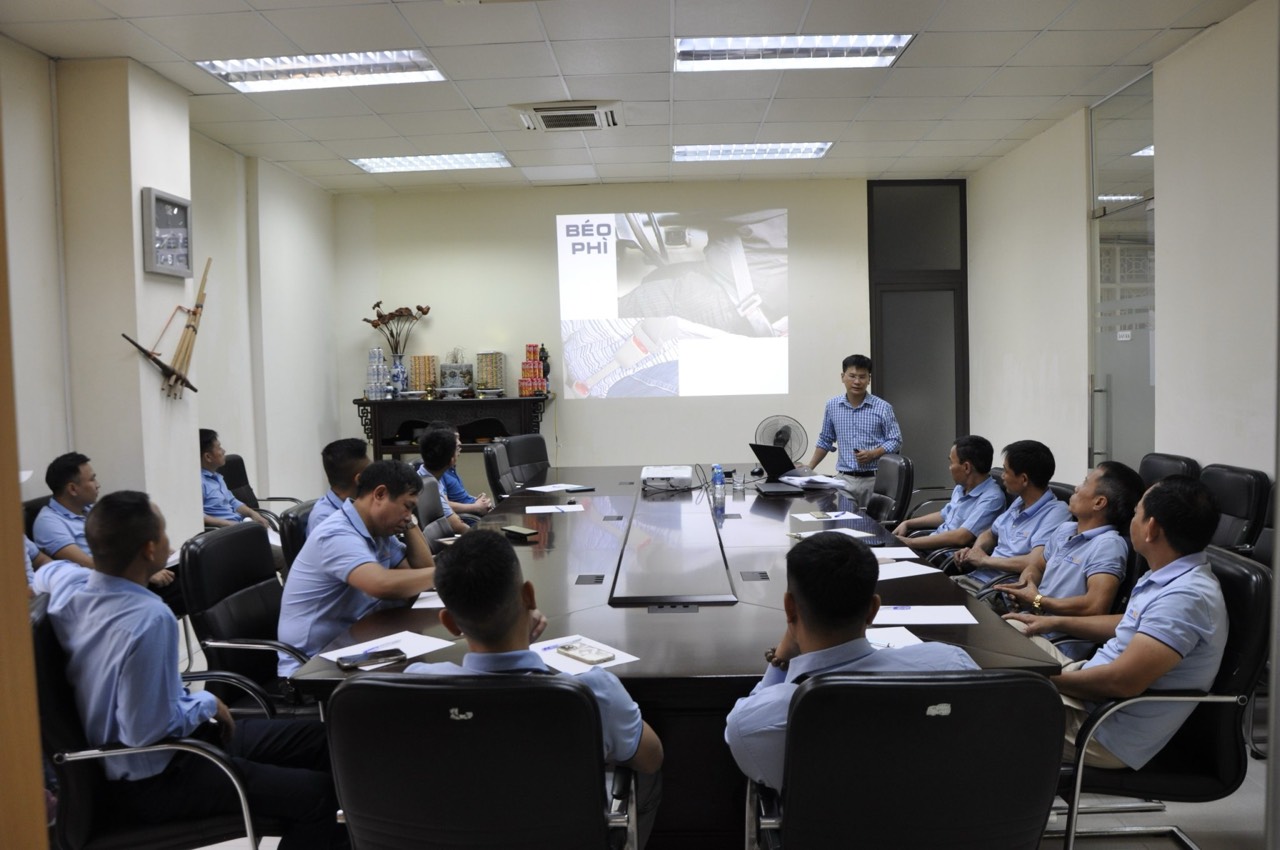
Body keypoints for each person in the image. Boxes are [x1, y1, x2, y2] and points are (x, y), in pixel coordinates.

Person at [32, 491, 347, 849]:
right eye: (165, 533)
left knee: (324, 741)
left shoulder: (69, 587)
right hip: (158, 775)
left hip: (179, 744)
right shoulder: (148, 619)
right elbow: (142, 732)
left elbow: (47, 574)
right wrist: (208, 705)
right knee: (322, 799)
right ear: (151, 550)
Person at [406, 530, 663, 846]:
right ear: (529, 596)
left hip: (458, 832)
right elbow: (652, 758)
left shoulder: (416, 684)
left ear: (449, 622)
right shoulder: (590, 691)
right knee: (645, 775)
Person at [725, 532, 978, 791]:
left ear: (789, 609)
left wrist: (780, 657)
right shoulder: (952, 666)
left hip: (826, 832)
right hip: (939, 827)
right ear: (873, 609)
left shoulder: (757, 721)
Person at [1006, 476, 1228, 769]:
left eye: (1136, 512)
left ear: (1151, 528)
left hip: (1102, 729)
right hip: (1089, 692)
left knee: (988, 702)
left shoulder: (1186, 598)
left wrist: (1041, 679)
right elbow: (1129, 623)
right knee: (1009, 632)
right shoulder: (1168, 573)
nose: (1131, 520)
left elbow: (1122, 682)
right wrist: (1048, 623)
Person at [277, 460, 436, 676]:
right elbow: (380, 584)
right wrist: (449, 573)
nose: (408, 515)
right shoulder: (336, 534)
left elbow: (420, 573)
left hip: (357, 645)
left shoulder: (377, 529)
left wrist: (409, 523)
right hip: (313, 666)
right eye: (407, 506)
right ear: (379, 494)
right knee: (425, 682)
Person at [993, 461, 1144, 660]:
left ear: (1099, 502)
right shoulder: (1066, 529)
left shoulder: (1108, 544)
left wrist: (1038, 600)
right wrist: (1026, 583)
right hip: (1033, 623)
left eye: (1084, 483)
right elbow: (1037, 565)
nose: (1076, 488)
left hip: (1057, 642)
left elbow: (1096, 606)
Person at [33, 451, 175, 590]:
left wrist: (157, 549)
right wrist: (141, 572)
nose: (97, 484)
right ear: (73, 489)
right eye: (92, 479)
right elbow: (87, 563)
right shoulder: (48, 522)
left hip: (126, 575)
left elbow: (126, 537)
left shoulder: (90, 510)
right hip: (108, 586)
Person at [951, 440, 1071, 595]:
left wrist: (985, 560)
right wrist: (975, 550)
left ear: (1024, 479)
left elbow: (1034, 562)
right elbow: (991, 532)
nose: (1002, 476)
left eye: (1006, 471)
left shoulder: (1056, 512)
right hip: (975, 580)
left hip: (997, 591)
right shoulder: (1020, 501)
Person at [805, 354, 902, 508]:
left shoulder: (883, 407)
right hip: (844, 480)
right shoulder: (833, 406)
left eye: (862, 377)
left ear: (869, 379)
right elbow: (825, 439)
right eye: (852, 376)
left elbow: (895, 440)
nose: (857, 382)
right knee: (845, 526)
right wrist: (809, 467)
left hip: (875, 480)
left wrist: (873, 454)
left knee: (872, 528)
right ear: (843, 377)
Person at [892, 435, 1005, 553]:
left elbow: (961, 537)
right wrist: (907, 523)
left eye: (951, 462)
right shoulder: (962, 487)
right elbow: (945, 515)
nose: (949, 467)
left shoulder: (992, 498)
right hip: (936, 544)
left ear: (966, 467)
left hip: (948, 555)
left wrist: (910, 543)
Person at [422, 421, 492, 525]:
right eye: (455, 439)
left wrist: (476, 500)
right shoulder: (437, 475)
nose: (459, 443)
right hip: (470, 520)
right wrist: (476, 507)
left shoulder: (443, 470)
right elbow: (455, 521)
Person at [199, 429, 270, 529]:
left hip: (238, 525)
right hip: (224, 532)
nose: (224, 451)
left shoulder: (217, 477)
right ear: (208, 457)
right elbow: (198, 516)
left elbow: (232, 501)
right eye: (219, 448)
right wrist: (229, 524)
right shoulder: (199, 483)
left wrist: (253, 514)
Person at [309, 438, 371, 535]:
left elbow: (397, 548)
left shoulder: (361, 506)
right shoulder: (324, 519)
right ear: (359, 480)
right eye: (371, 472)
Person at [418, 428, 470, 536]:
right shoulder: (429, 488)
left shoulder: (429, 476)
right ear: (452, 460)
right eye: (456, 449)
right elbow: (459, 526)